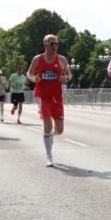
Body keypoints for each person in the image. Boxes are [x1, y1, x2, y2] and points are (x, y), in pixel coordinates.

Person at [28, 34, 71, 167]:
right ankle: (49, 156)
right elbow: (29, 73)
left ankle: (50, 136)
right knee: (47, 125)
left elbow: (69, 74)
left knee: (59, 130)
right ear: (45, 45)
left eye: (56, 43)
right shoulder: (38, 59)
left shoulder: (61, 59)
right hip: (43, 96)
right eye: (51, 43)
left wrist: (66, 78)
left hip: (57, 97)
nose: (54, 46)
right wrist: (33, 78)